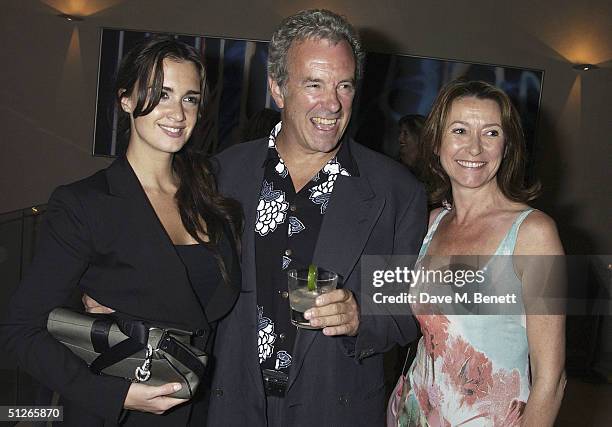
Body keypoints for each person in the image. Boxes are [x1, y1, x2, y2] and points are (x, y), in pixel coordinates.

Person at [1, 37, 242, 426]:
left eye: (190, 98)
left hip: (203, 413)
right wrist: (115, 396)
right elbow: (19, 330)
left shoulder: (210, 192)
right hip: (120, 414)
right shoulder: (86, 204)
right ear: (126, 99)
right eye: (161, 94)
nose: (177, 113)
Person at [208, 9, 427, 426]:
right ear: (277, 88)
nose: (332, 103)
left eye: (344, 86)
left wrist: (362, 315)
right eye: (314, 84)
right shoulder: (223, 174)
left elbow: (405, 312)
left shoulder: (397, 192)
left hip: (335, 406)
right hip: (231, 403)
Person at [396, 80, 566, 426]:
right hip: (413, 412)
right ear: (436, 144)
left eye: (490, 133)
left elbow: (552, 380)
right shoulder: (432, 223)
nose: (474, 148)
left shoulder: (534, 234)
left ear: (507, 147)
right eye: (459, 130)